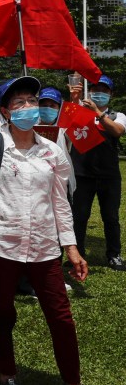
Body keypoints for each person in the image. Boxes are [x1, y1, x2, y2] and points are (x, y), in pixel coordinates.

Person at [0, 76, 105, 385]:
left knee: (61, 316)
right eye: (19, 102)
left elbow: (60, 203)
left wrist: (71, 248)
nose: (27, 107)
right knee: (2, 312)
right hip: (5, 243)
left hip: (43, 247)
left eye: (31, 100)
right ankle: (7, 376)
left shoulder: (52, 150)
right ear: (7, 111)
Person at [68, 74, 126, 271]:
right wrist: (75, 100)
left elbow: (117, 131)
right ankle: (77, 254)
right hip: (81, 175)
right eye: (95, 90)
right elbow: (67, 119)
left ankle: (114, 255)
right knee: (79, 216)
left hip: (109, 176)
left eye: (104, 91)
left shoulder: (118, 116)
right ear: (89, 92)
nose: (99, 93)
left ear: (111, 94)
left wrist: (98, 113)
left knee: (110, 216)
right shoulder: (81, 113)